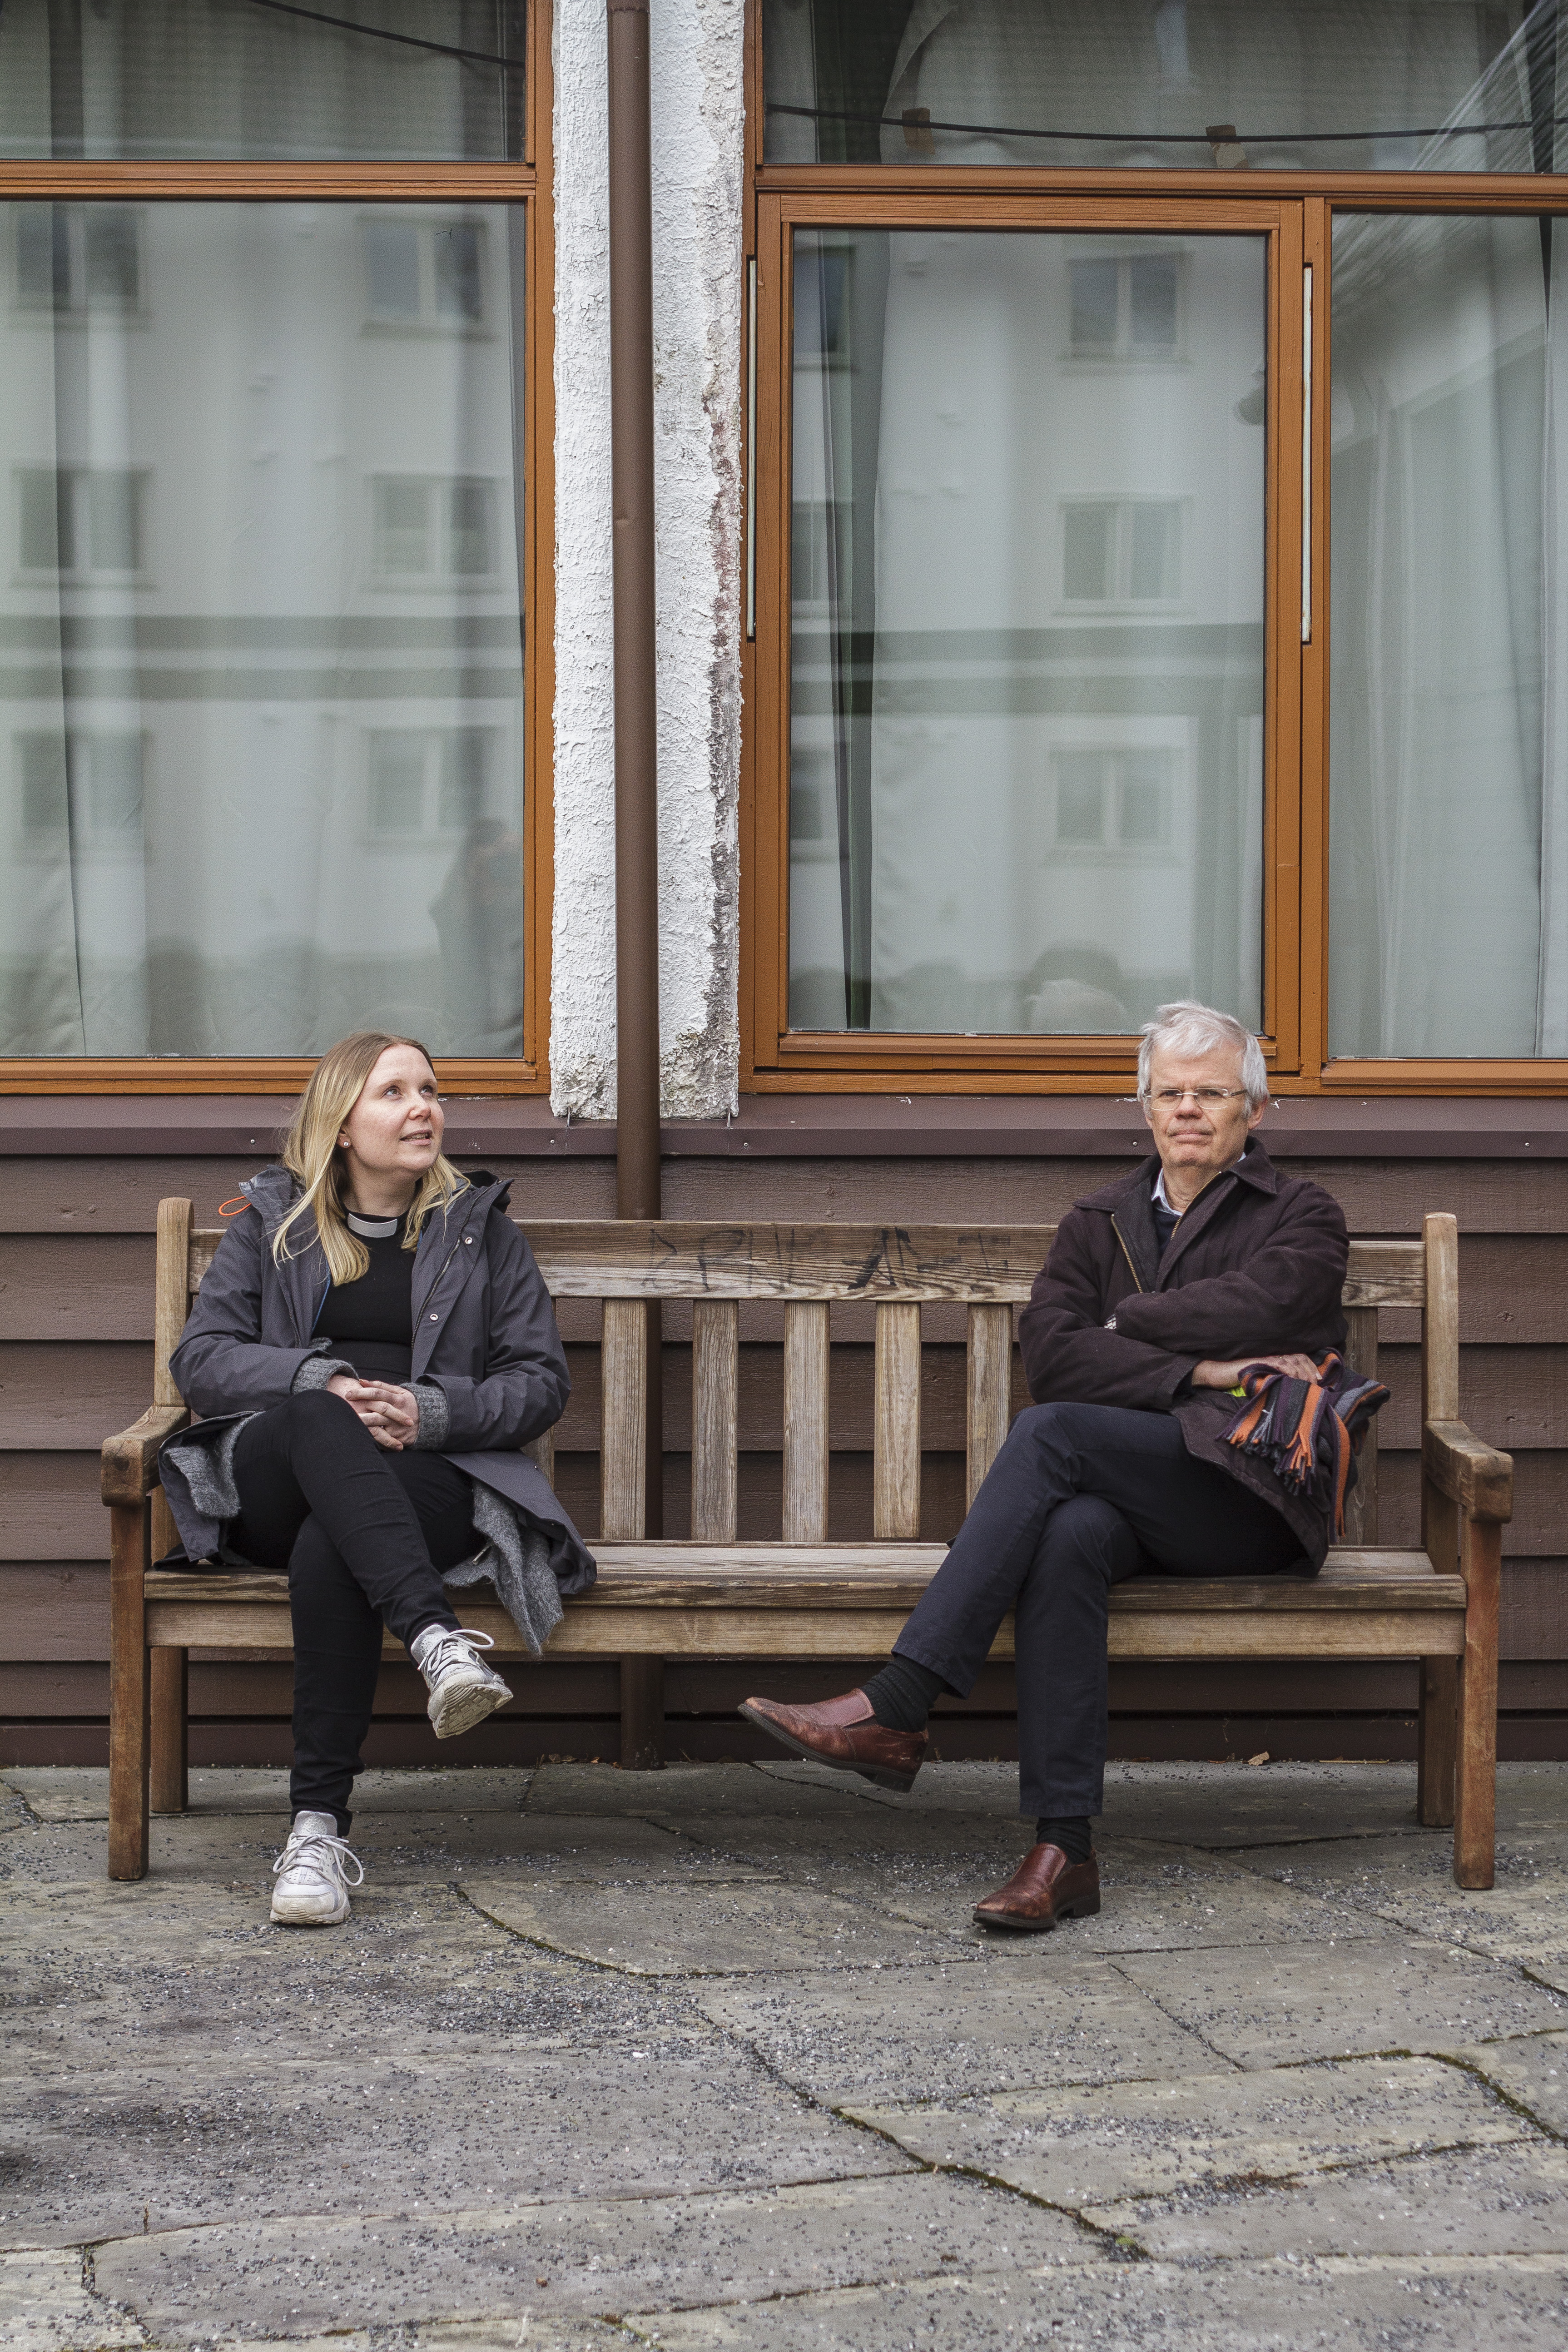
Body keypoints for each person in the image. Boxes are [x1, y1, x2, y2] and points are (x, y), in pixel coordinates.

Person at [741, 1002, 1354, 1934]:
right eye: (1169, 1093)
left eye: (1212, 1094)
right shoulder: (1097, 1221)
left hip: (1249, 1495)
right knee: (1068, 1535)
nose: (1187, 1110)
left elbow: (1276, 1300)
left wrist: (1131, 1325)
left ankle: (901, 1701)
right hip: (1134, 1496)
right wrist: (1201, 1365)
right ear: (1145, 1107)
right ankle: (1062, 1850)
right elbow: (1056, 1356)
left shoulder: (1300, 1212)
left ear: (1254, 1113)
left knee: (1052, 1435)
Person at [158, 1030, 591, 1929]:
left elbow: (539, 1382)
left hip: (423, 1476)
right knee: (321, 1411)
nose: (423, 1107)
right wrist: (321, 1381)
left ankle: (315, 1831)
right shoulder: (271, 1225)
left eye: (430, 1090)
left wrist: (429, 1412)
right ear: (343, 1124)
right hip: (272, 1473)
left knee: (336, 1545)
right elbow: (201, 1362)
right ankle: (438, 1640)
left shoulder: (482, 1232)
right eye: (394, 1092)